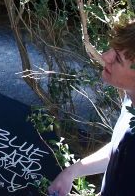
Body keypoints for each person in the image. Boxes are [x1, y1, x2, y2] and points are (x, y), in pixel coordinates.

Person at [47, 21, 135, 196]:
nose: (105, 56)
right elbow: (118, 151)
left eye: (118, 59)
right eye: (112, 49)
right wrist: (72, 172)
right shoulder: (131, 99)